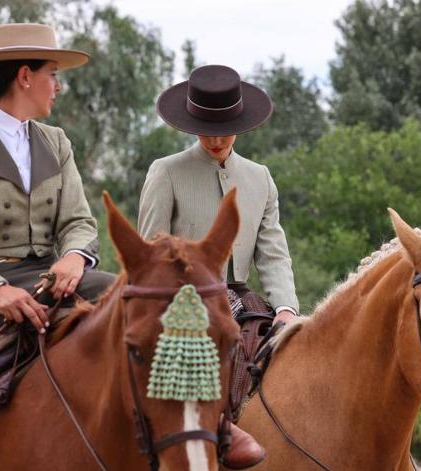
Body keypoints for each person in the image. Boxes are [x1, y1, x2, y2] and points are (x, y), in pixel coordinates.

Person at [138, 64, 300, 469]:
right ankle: (207, 434)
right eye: (207, 130)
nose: (216, 139)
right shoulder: (167, 172)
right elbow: (149, 254)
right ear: (192, 125)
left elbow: (273, 252)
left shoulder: (260, 178)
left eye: (225, 129)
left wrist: (286, 308)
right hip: (181, 300)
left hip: (244, 298)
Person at [0, 23, 114, 347]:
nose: (59, 86)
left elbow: (78, 222)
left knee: (127, 295)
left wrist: (73, 259)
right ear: (25, 77)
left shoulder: (56, 141)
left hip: (52, 280)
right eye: (53, 74)